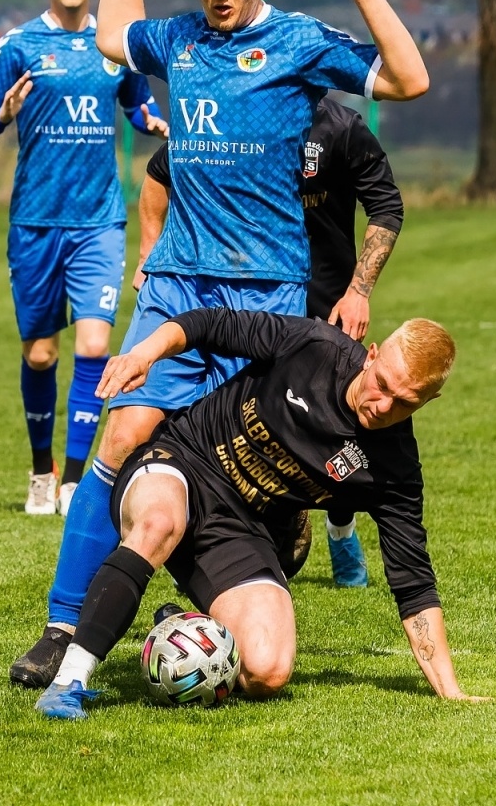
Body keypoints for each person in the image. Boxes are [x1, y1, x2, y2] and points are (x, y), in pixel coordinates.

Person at [9, 0, 430, 687]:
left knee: (250, 473)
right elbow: (110, 34)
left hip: (264, 295)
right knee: (119, 436)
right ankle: (65, 627)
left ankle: (203, 613)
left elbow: (410, 80)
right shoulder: (181, 41)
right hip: (177, 286)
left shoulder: (300, 44)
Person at [32, 308, 484, 719]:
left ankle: (183, 627)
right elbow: (209, 325)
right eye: (382, 383)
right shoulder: (312, 346)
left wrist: (451, 691)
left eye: (404, 402)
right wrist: (145, 354)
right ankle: (69, 680)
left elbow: (414, 583)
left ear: (429, 401)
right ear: (371, 356)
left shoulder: (394, 470)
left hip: (239, 529)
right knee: (158, 523)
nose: (382, 405)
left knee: (268, 670)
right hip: (182, 461)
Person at [139, 95, 404, 587]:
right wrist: (148, 255)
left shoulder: (341, 128)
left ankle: (340, 528)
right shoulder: (241, 114)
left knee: (343, 432)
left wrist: (358, 290)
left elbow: (387, 204)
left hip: (326, 308)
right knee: (229, 425)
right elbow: (161, 169)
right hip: (251, 301)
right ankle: (213, 551)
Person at [0, 0, 167, 515]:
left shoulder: (112, 44)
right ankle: (40, 472)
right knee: (40, 357)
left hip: (99, 222)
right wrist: (1, 115)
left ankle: (77, 480)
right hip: (35, 223)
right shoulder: (20, 45)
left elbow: (136, 100)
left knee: (96, 346)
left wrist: (153, 120)